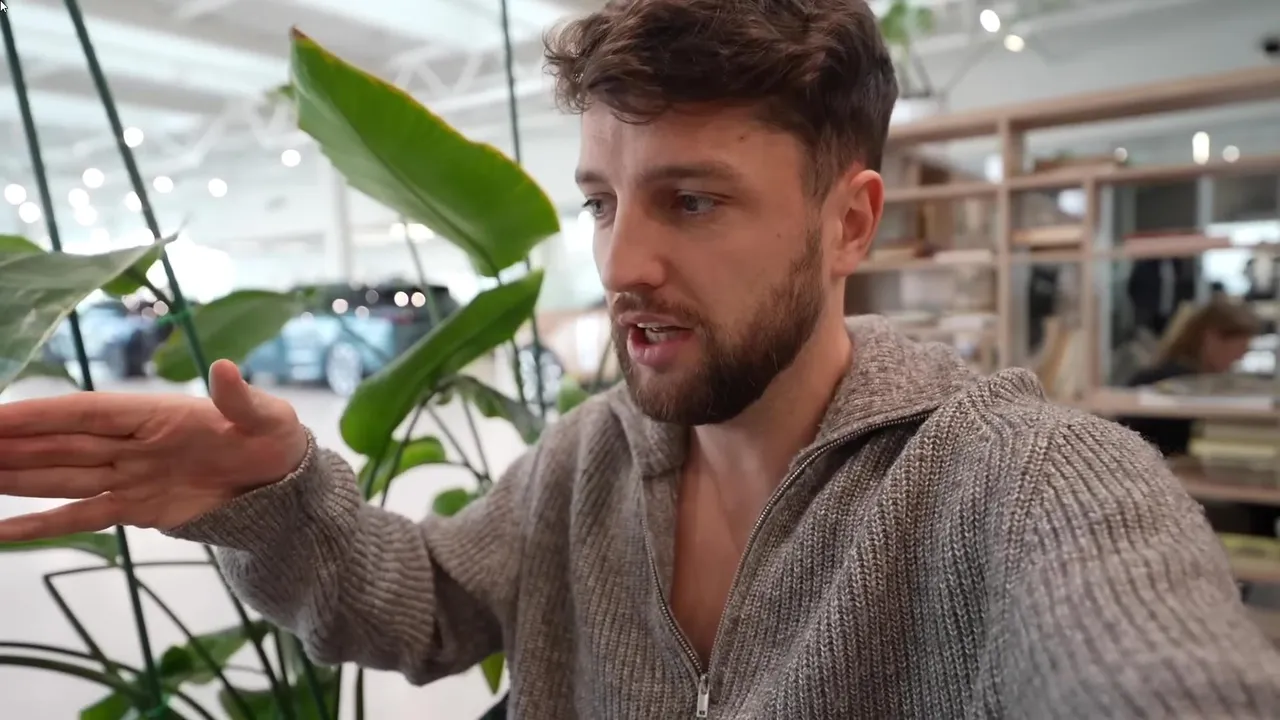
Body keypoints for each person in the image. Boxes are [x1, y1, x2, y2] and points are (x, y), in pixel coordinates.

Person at [1, 0, 1279, 716]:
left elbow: (1152, 673)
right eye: (603, 203)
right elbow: (423, 603)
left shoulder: (1015, 481)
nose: (620, 264)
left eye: (692, 200)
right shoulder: (588, 458)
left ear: (848, 224)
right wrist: (273, 496)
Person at [1119, 297, 1261, 457]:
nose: (1240, 357)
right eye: (1240, 349)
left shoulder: (1181, 377)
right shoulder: (1176, 383)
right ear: (1211, 338)